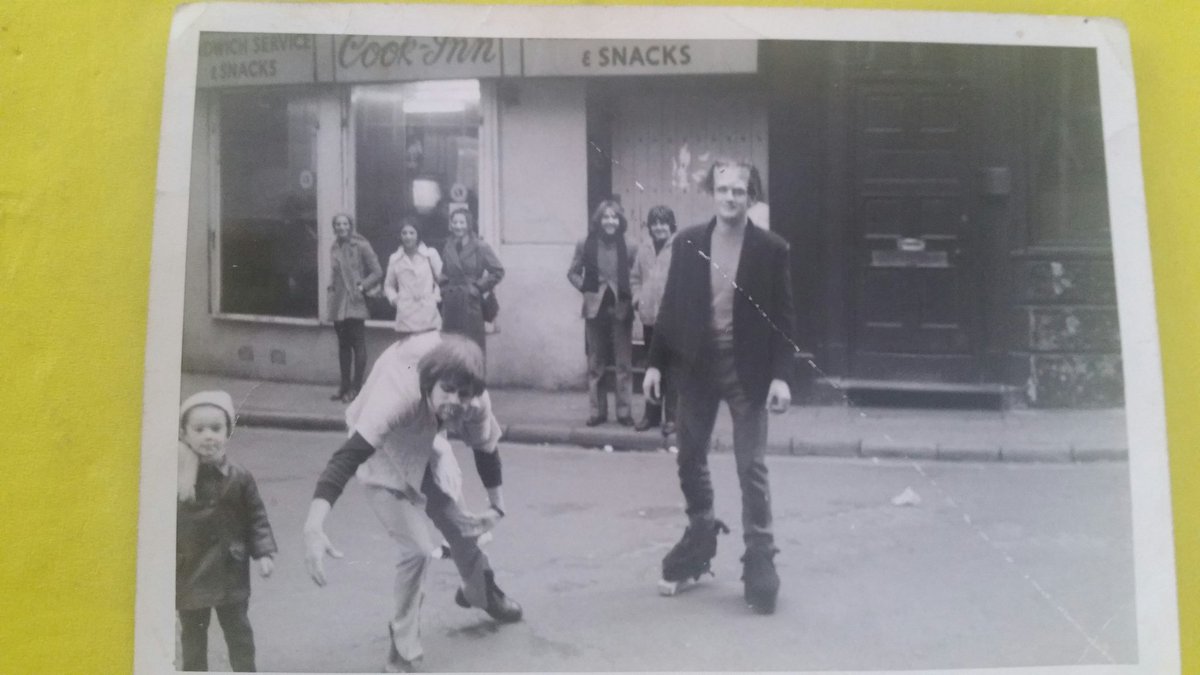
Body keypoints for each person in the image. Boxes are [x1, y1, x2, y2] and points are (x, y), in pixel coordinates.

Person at [303, 332, 522, 673]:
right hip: (380, 452)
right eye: (447, 390)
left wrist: (496, 508)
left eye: (464, 394)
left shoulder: (476, 402)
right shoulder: (397, 396)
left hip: (424, 441)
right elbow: (346, 458)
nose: (455, 400)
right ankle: (402, 649)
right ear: (430, 381)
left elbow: (486, 450)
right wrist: (314, 525)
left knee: (464, 527)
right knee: (416, 550)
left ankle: (481, 592)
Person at [643, 159, 797, 614]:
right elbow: (670, 307)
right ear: (713, 192)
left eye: (740, 191)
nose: (730, 198)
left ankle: (760, 556)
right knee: (690, 456)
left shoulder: (771, 249)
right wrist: (654, 366)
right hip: (696, 367)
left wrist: (782, 376)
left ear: (752, 197)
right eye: (723, 189)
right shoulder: (689, 242)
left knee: (751, 466)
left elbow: (785, 320)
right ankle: (701, 535)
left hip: (747, 370)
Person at [176, 391, 276, 672]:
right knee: (193, 637)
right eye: (199, 429)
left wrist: (264, 552)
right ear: (184, 433)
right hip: (190, 570)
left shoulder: (239, 476)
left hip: (229, 571)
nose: (208, 436)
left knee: (239, 633)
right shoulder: (175, 477)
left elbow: (255, 516)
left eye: (216, 429)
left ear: (227, 433)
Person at [568, 199, 638, 427]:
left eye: (614, 217)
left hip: (621, 308)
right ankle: (597, 412)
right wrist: (586, 289)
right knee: (595, 363)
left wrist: (631, 296)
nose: (610, 222)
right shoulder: (585, 243)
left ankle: (624, 412)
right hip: (594, 308)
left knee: (623, 363)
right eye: (606, 217)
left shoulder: (629, 246)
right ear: (598, 220)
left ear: (620, 221)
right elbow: (573, 272)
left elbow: (636, 276)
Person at [630, 205, 678, 435]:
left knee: (672, 369)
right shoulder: (644, 249)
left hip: (673, 319)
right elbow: (635, 278)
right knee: (652, 367)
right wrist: (638, 299)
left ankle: (672, 417)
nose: (659, 228)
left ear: (671, 226)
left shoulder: (680, 247)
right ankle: (651, 415)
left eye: (663, 223)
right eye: (655, 223)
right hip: (649, 319)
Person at [328, 213, 383, 403]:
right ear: (334, 228)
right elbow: (335, 274)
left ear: (350, 226)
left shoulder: (361, 245)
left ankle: (356, 388)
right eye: (337, 224)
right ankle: (344, 386)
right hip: (338, 302)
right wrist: (331, 289)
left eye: (345, 224)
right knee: (343, 345)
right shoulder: (334, 246)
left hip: (355, 300)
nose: (341, 227)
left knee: (357, 343)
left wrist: (362, 286)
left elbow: (377, 272)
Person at [440, 209, 505, 356]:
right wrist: (443, 289)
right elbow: (444, 272)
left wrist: (477, 287)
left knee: (472, 348)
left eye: (462, 222)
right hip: (451, 304)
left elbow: (498, 271)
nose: (458, 226)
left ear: (469, 224)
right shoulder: (448, 246)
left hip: (471, 303)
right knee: (451, 349)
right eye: (455, 222)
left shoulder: (480, 247)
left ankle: (474, 379)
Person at [384, 217, 444, 339]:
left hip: (428, 311)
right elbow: (388, 285)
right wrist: (395, 300)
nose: (408, 237)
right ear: (400, 236)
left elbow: (442, 281)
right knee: (407, 352)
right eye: (404, 233)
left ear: (418, 235)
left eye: (412, 233)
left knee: (428, 351)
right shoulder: (395, 258)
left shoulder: (430, 254)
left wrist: (435, 297)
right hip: (406, 313)